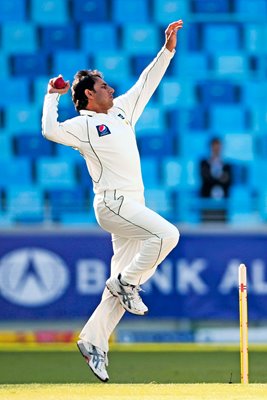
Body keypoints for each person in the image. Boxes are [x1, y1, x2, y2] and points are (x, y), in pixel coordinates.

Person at [42, 20, 183, 382]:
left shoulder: (121, 111)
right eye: (104, 86)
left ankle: (93, 342)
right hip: (113, 204)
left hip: (132, 206)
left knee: (121, 282)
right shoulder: (83, 125)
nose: (112, 88)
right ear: (89, 95)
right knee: (167, 236)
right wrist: (51, 96)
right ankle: (127, 282)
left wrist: (167, 49)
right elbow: (49, 131)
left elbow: (146, 83)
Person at [199, 137, 232, 222]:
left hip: (222, 204)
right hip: (207, 203)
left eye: (218, 147)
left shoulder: (227, 165)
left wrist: (213, 178)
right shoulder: (204, 163)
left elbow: (229, 182)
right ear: (211, 147)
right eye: (214, 147)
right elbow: (206, 179)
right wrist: (221, 177)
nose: (216, 149)